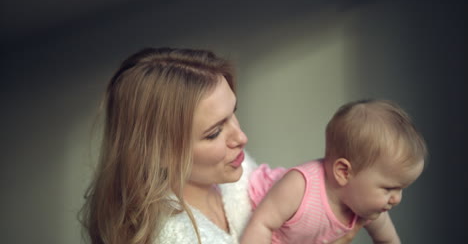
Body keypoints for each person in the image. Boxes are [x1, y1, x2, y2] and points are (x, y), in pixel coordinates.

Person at [79, 47, 361, 244]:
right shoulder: (171, 237)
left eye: (233, 114)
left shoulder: (239, 176)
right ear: (159, 154)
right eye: (214, 133)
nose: (241, 138)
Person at [241, 99, 427, 244]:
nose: (397, 199)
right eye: (388, 189)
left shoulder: (368, 209)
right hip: (258, 210)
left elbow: (387, 240)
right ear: (344, 172)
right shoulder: (299, 187)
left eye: (400, 189)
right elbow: (261, 224)